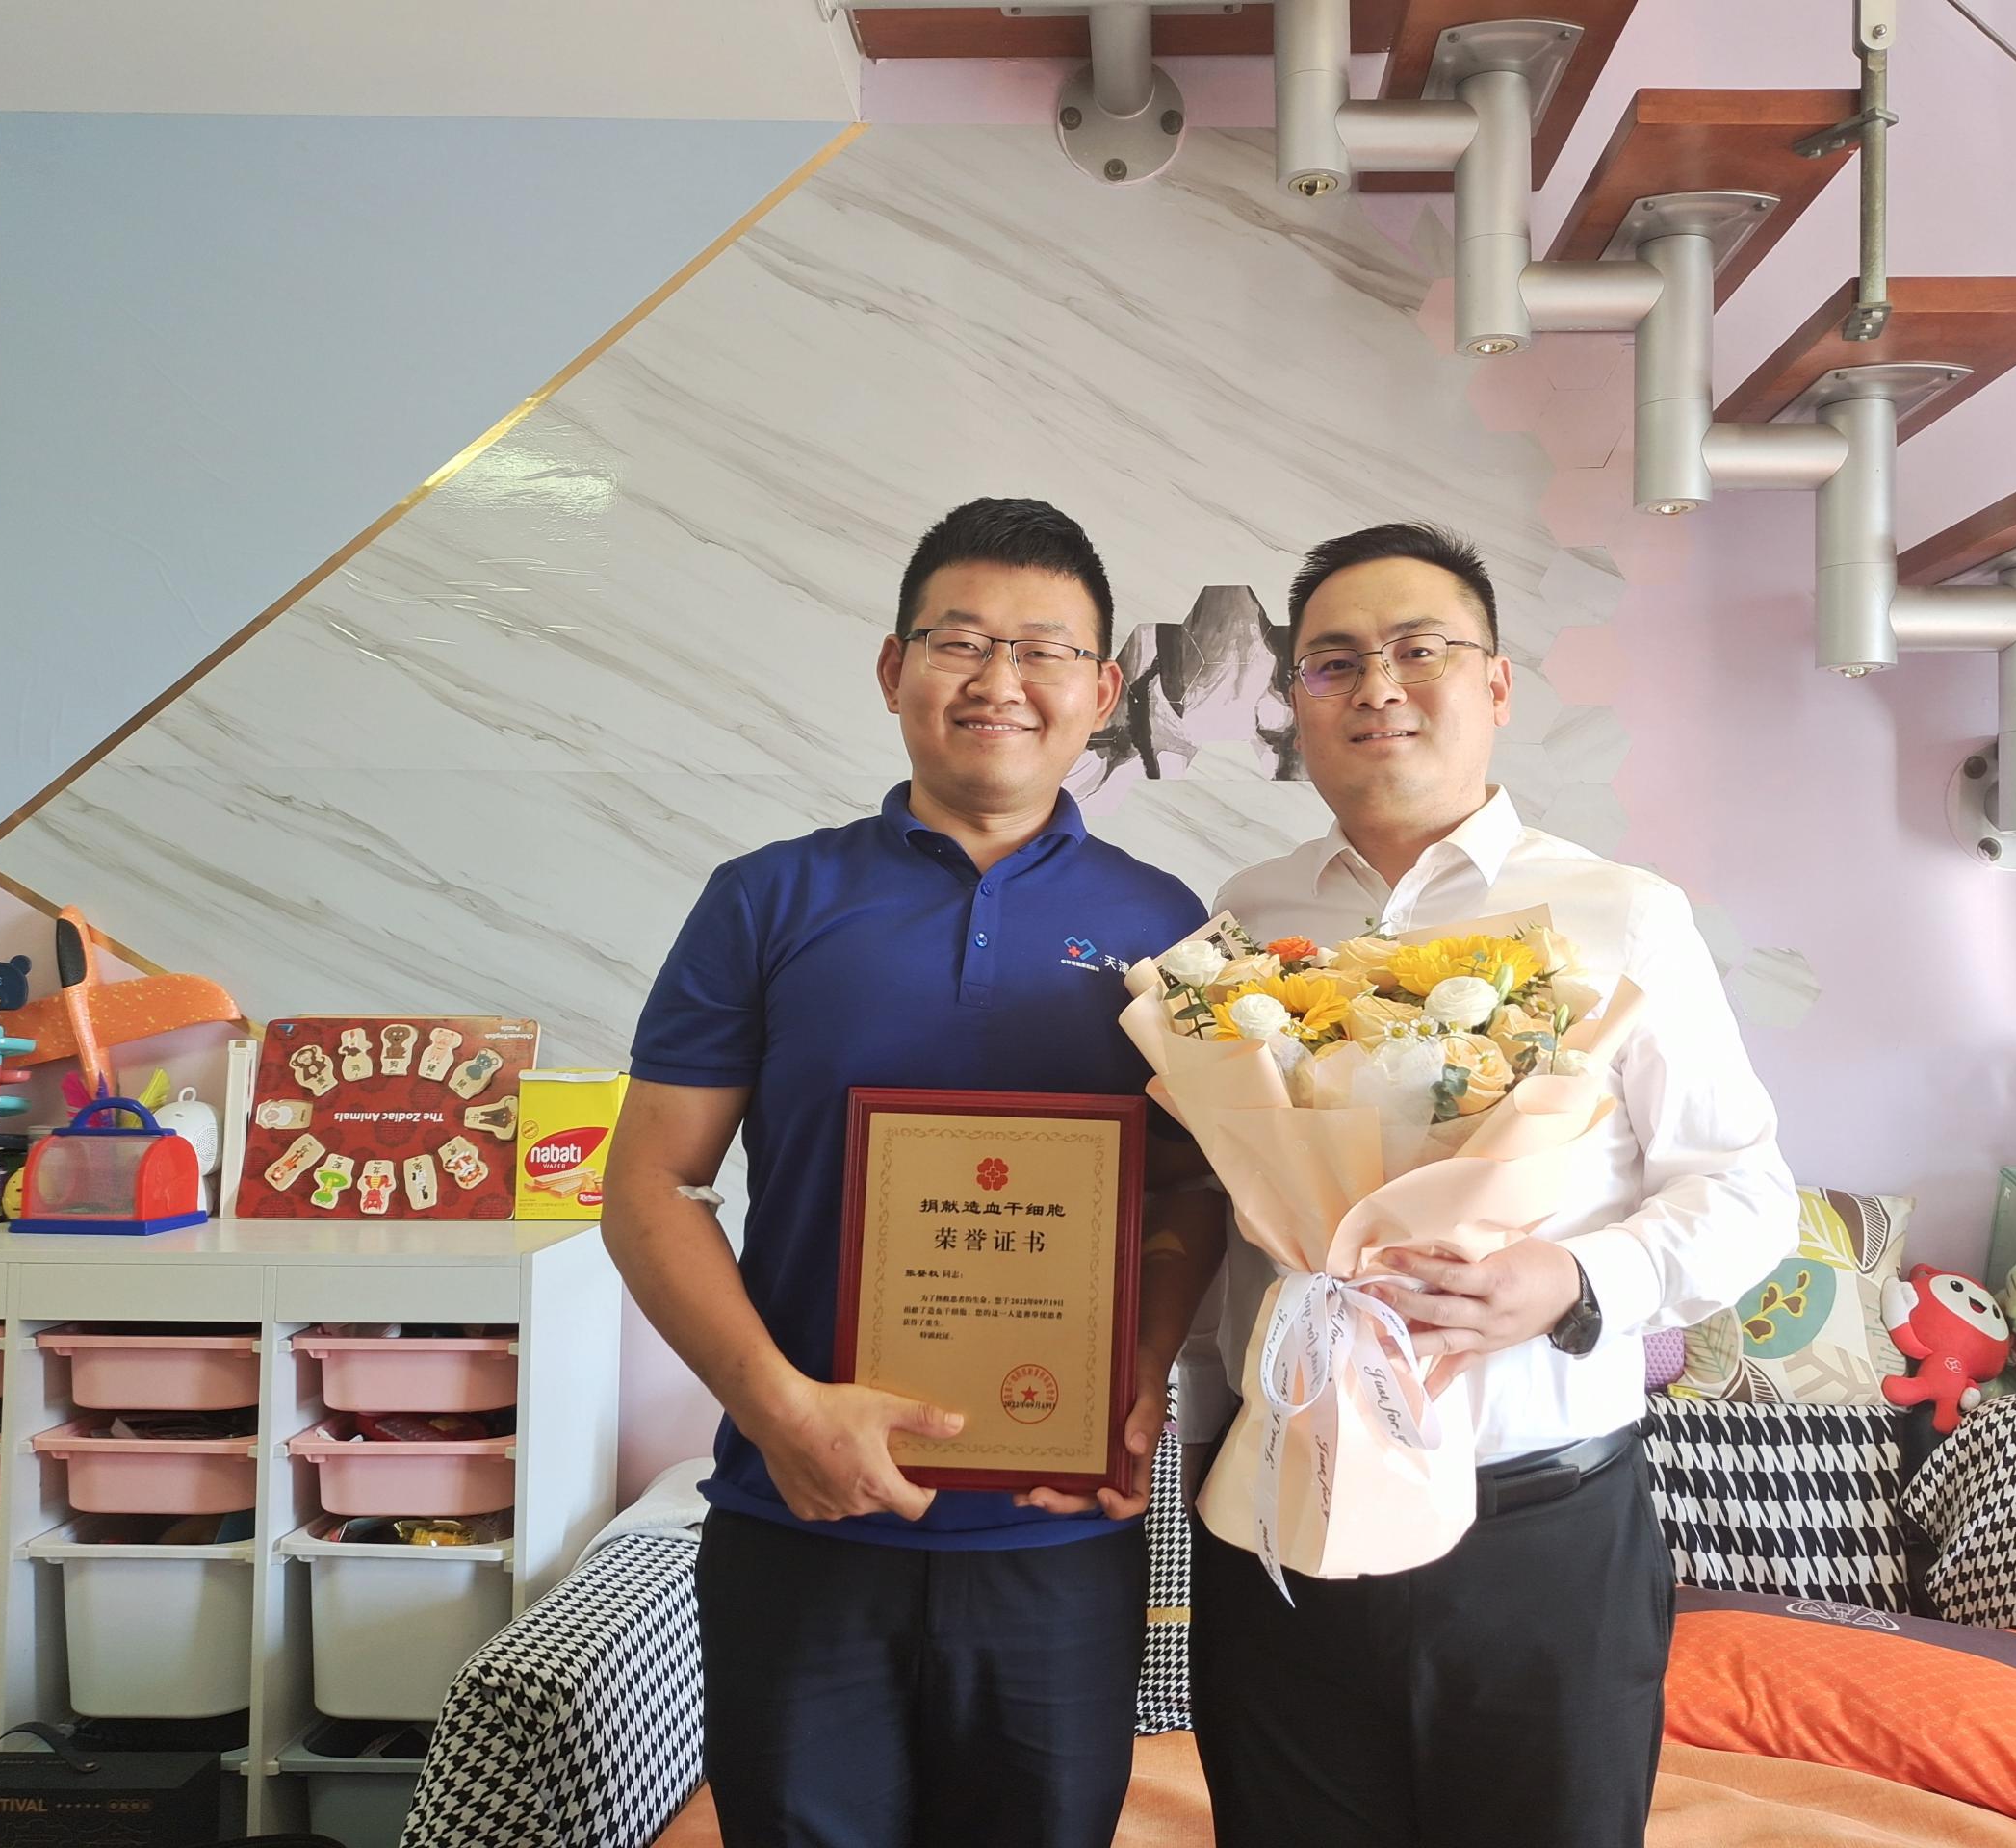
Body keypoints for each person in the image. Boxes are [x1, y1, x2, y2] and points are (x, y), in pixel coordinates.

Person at [604, 499, 1228, 1848]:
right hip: (798, 1521)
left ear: (1101, 691)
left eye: (1045, 649)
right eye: (960, 641)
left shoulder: (1166, 924)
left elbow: (1189, 1187)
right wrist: (778, 1412)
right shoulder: (766, 899)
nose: (1000, 679)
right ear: (894, 669)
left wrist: (1140, 1368)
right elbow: (649, 1185)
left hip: (1059, 1536)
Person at [1188, 522, 1799, 1848]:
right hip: (1287, 1520)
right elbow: (1231, 1216)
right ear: (1297, 702)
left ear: (1497, 683)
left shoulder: (1621, 913)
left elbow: (1747, 1192)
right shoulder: (1249, 915)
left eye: (1421, 650)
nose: (1379, 687)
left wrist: (1573, 1279)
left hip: (1540, 1538)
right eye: (1334, 663)